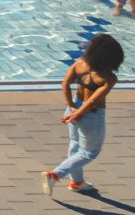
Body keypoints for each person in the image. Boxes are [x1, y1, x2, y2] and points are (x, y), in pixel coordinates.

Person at [44, 32, 124, 197]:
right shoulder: (108, 77)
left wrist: (72, 107)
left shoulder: (79, 63)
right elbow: (93, 100)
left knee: (75, 144)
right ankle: (56, 174)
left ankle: (77, 182)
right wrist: (79, 113)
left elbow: (65, 84)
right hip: (91, 115)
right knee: (89, 152)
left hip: (74, 106)